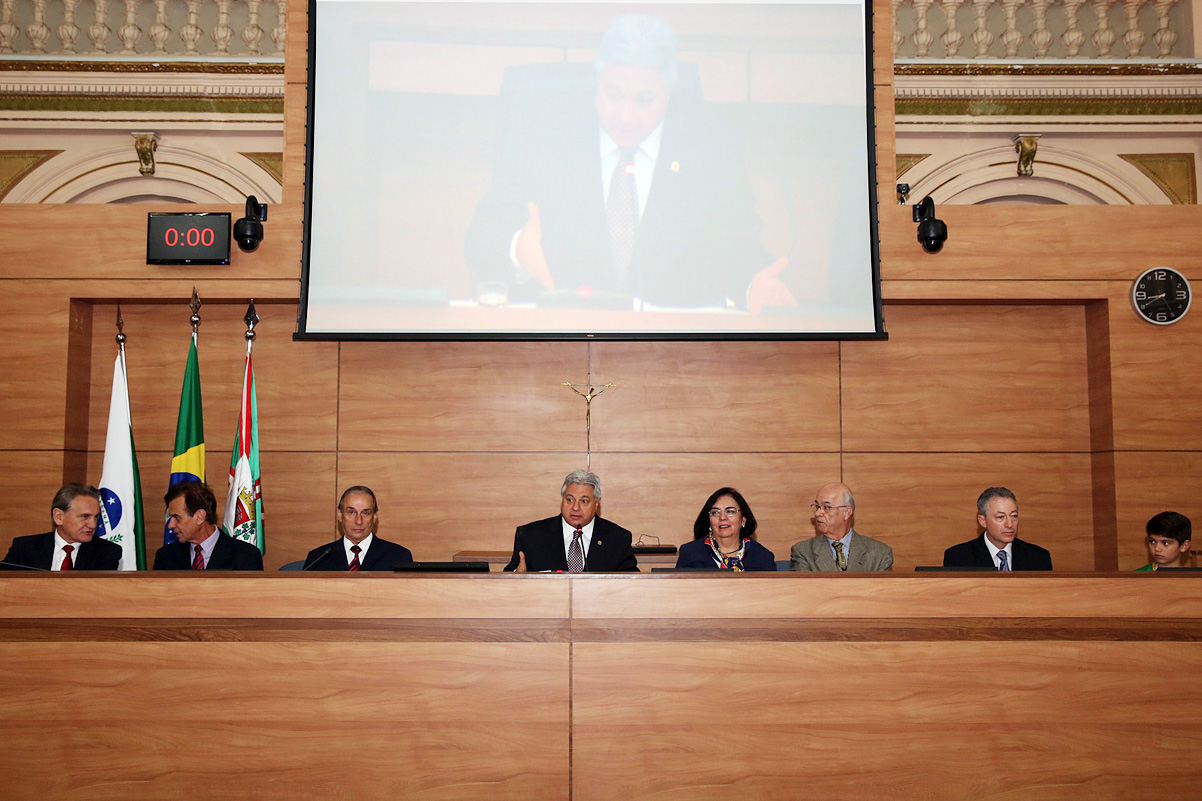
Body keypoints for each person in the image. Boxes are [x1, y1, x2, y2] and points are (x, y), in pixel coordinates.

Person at [464, 13, 794, 311]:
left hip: (670, 352)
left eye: (643, 99)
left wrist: (754, 286)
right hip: (564, 338)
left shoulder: (710, 154)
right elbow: (482, 238)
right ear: (597, 85)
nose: (625, 115)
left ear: (667, 94)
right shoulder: (544, 142)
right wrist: (517, 247)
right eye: (614, 95)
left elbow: (737, 249)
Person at [504, 469, 638, 572]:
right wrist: (517, 577)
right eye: (570, 500)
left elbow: (633, 582)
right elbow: (509, 577)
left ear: (597, 503)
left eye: (584, 501)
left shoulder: (618, 539)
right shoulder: (531, 536)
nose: (575, 507)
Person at [1, 483, 121, 571]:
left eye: (96, 517)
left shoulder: (106, 552)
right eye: (85, 516)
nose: (93, 524)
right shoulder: (25, 548)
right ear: (59, 517)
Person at [153, 481, 263, 571]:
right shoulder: (165, 557)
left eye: (176, 517)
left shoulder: (246, 556)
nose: (170, 525)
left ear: (200, 516)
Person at [303, 486, 414, 571]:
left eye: (366, 513)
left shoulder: (399, 556)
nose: (359, 521)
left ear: (374, 516)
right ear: (340, 515)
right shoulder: (318, 558)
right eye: (351, 512)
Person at [943, 487, 1052, 571]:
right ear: (983, 521)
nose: (1009, 524)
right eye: (1000, 517)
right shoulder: (958, 558)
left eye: (1013, 516)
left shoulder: (1039, 558)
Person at [790, 482, 892, 572]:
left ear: (846, 513)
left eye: (826, 507)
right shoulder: (804, 552)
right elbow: (806, 591)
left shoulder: (880, 554)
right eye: (817, 506)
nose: (818, 513)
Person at [676, 487, 777, 571]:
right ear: (709, 521)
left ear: (743, 520)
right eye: (715, 512)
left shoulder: (763, 557)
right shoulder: (690, 553)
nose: (722, 517)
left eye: (730, 511)